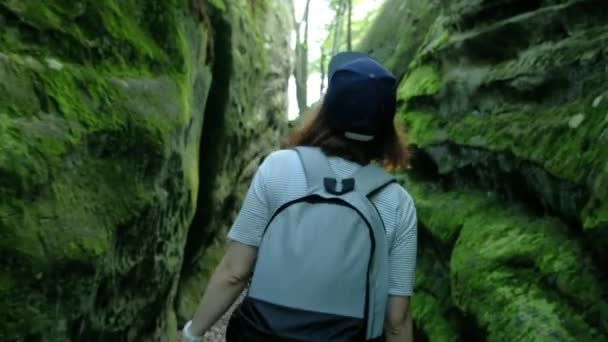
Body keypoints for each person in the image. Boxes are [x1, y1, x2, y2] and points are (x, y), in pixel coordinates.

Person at [181, 51, 417, 342]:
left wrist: (193, 332)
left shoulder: (279, 168)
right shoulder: (396, 201)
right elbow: (397, 318)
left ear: (325, 111)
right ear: (387, 127)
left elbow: (234, 272)